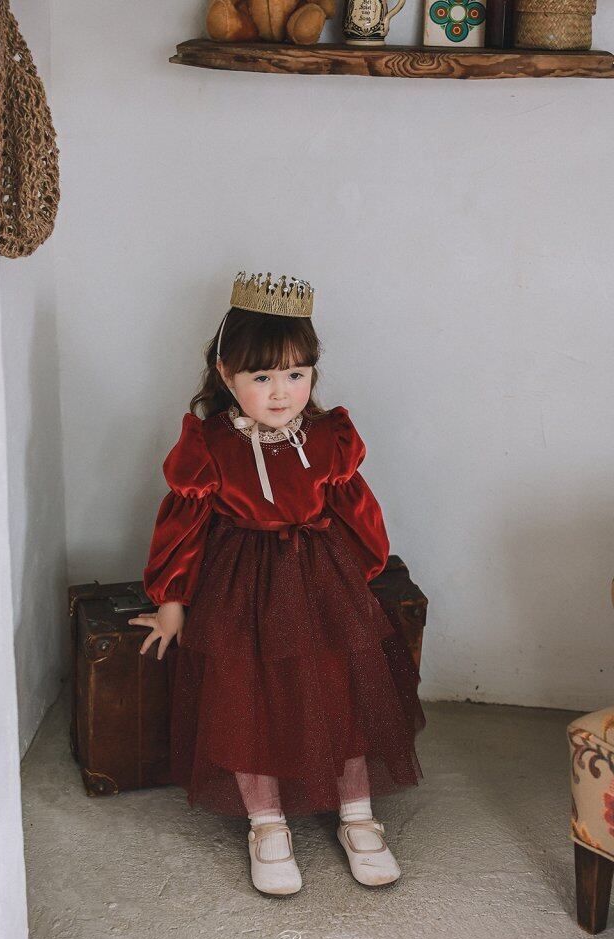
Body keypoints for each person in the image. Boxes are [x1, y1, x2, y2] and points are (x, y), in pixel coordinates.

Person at [129, 270, 426, 897]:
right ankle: (266, 823)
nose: (281, 391)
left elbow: (356, 512)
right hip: (239, 585)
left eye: (296, 374)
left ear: (313, 373)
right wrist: (172, 601)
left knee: (338, 689)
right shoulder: (210, 444)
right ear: (225, 373)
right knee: (245, 695)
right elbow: (183, 527)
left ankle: (357, 815)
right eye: (261, 377)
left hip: (318, 579)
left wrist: (359, 579)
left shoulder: (327, 438)